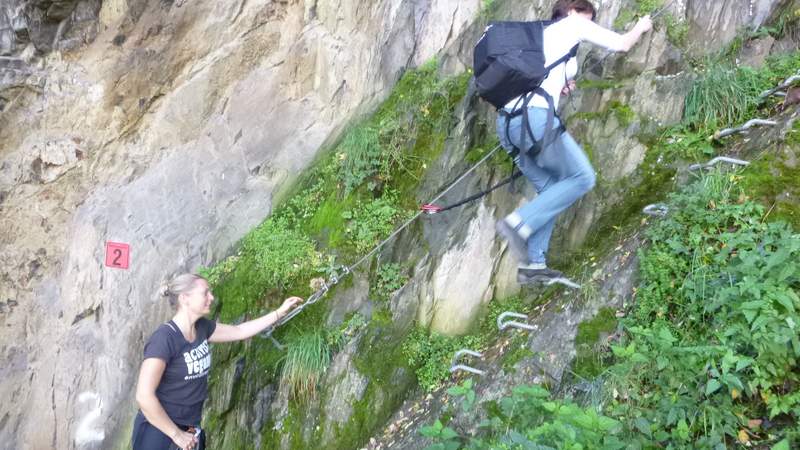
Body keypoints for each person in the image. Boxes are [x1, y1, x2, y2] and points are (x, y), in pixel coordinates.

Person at [494, 0, 653, 284]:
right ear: (571, 12)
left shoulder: (540, 36)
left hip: (508, 125)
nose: (589, 23)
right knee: (583, 177)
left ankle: (534, 264)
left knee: (553, 191)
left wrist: (563, 86)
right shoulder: (573, 25)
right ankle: (518, 224)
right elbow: (622, 44)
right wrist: (641, 27)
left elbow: (547, 78)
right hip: (535, 123)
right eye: (586, 17)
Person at [132, 273, 302, 450]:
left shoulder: (202, 328)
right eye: (205, 293)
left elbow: (239, 331)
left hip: (189, 429)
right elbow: (144, 396)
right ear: (185, 298)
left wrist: (279, 312)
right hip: (159, 431)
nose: (211, 297)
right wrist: (176, 434)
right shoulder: (164, 339)